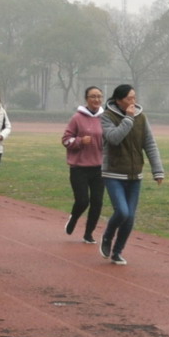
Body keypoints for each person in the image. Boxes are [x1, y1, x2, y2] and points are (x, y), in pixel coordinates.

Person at [99, 84, 164, 265]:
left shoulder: (141, 117)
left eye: (134, 98)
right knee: (122, 212)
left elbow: (150, 144)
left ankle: (117, 252)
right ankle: (107, 236)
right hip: (113, 174)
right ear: (118, 100)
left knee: (130, 218)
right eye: (129, 98)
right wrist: (128, 118)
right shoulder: (107, 117)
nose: (133, 102)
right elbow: (114, 138)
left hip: (135, 176)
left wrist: (158, 170)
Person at [62, 86, 105, 244]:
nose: (96, 99)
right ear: (86, 99)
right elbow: (66, 140)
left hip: (99, 168)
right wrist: (80, 141)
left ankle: (88, 234)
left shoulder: (105, 118)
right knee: (82, 201)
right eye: (93, 96)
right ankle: (74, 218)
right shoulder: (77, 118)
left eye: (99, 96)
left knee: (97, 202)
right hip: (79, 168)